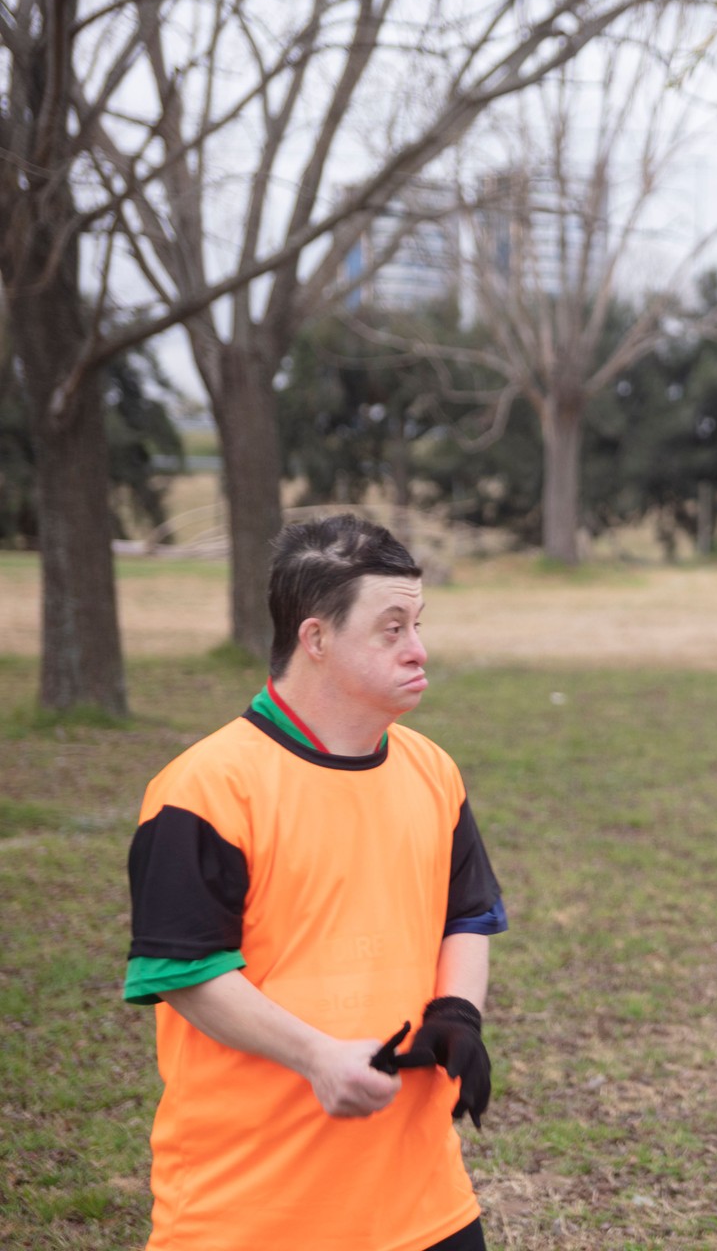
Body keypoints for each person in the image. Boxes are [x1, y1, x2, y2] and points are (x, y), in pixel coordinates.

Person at [122, 516, 507, 1251]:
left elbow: (468, 915)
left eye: (418, 623)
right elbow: (183, 970)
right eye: (391, 628)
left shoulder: (433, 771)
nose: (419, 650)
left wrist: (458, 1013)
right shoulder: (204, 789)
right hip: (253, 1215)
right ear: (316, 639)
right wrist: (316, 1057)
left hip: (428, 1206)